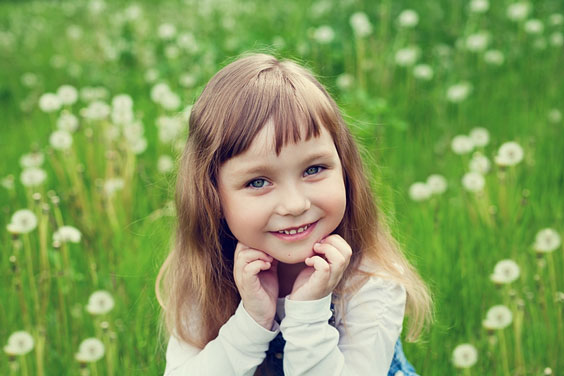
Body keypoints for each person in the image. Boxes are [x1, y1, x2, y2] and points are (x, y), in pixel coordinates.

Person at [156, 53, 433, 376]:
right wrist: (251, 322)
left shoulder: (370, 281)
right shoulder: (206, 273)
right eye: (258, 181)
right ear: (211, 196)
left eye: (313, 169)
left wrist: (308, 313)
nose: (295, 204)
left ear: (345, 170)